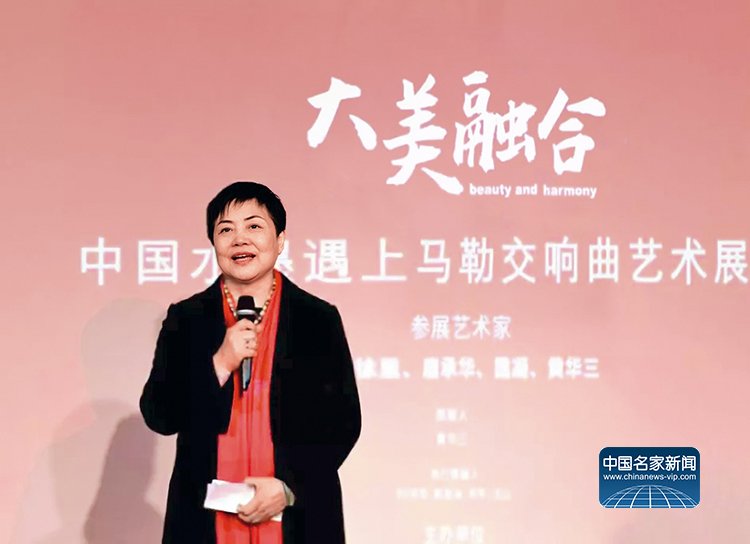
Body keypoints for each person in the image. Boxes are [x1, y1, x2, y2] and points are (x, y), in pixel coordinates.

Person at [140, 181, 361, 544]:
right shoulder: (187, 319)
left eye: (254, 226)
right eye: (226, 230)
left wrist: (289, 487)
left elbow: (343, 423)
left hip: (296, 516)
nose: (239, 239)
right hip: (206, 519)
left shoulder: (317, 319)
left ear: (280, 239)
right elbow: (159, 414)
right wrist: (220, 363)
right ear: (213, 243)